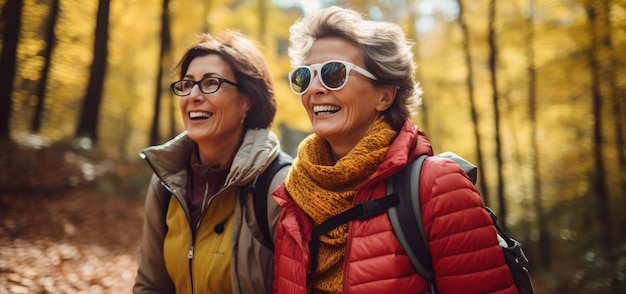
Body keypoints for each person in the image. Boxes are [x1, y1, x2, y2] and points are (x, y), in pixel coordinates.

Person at [272, 6, 518, 293]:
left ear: (385, 95)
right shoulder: (293, 195)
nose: (314, 88)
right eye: (304, 76)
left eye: (333, 73)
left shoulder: (439, 187)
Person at [133, 30, 289, 294]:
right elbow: (151, 285)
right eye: (186, 84)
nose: (193, 95)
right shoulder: (166, 183)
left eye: (210, 83)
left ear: (247, 101)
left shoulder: (278, 186)